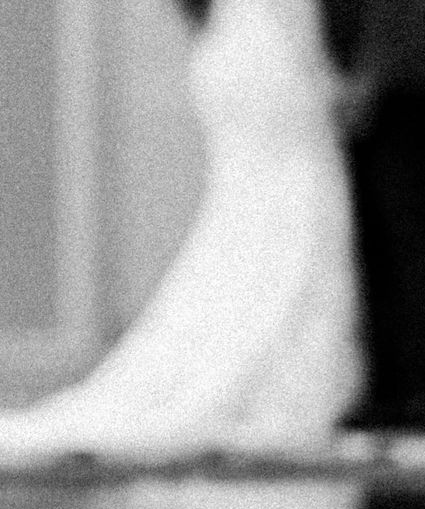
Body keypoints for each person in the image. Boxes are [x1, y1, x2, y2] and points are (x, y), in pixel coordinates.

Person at [0, 0, 358, 466]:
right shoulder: (256, 25)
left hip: (275, 168)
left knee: (272, 275)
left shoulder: (232, 26)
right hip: (284, 166)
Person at [319, 0, 425, 433]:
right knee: (377, 242)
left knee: (410, 235)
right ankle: (392, 385)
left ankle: (422, 387)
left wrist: (370, 75)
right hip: (372, 67)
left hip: (397, 71)